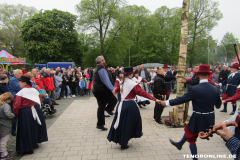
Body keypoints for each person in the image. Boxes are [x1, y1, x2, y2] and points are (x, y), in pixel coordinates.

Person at [160, 65, 222, 160]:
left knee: (192, 139)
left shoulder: (195, 89)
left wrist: (166, 103)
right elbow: (218, 105)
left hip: (198, 117)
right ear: (208, 75)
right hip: (210, 117)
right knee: (188, 129)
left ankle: (195, 158)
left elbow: (181, 99)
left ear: (199, 74)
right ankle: (180, 144)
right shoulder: (214, 88)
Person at [107, 67, 161, 149]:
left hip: (120, 105)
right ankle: (127, 140)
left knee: (122, 123)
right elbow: (143, 93)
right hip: (130, 105)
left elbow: (117, 90)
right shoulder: (133, 83)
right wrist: (155, 99)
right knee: (130, 122)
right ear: (131, 74)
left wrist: (114, 91)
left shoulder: (122, 81)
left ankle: (122, 140)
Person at [13, 76, 48, 154]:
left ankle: (27, 147)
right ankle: (34, 142)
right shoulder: (35, 90)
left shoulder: (21, 92)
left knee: (26, 129)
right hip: (36, 110)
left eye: (20, 82)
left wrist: (16, 113)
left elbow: (17, 105)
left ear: (24, 83)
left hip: (26, 112)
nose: (19, 83)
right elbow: (40, 100)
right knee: (34, 127)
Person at [92, 56, 117, 131]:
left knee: (101, 106)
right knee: (114, 100)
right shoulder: (101, 69)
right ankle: (109, 110)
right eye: (103, 59)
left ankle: (100, 124)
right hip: (102, 90)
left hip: (97, 90)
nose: (105, 60)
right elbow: (106, 80)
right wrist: (112, 89)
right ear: (101, 61)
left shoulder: (97, 68)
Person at [0, 92, 15, 159]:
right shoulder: (5, 106)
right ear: (7, 99)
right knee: (4, 139)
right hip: (4, 124)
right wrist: (13, 115)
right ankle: (4, 154)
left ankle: (3, 150)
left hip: (1, 124)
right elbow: (8, 114)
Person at [7, 69, 22, 136]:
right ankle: (13, 130)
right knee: (14, 115)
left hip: (16, 98)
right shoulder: (13, 80)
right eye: (20, 73)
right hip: (13, 99)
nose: (21, 74)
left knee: (16, 114)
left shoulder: (17, 80)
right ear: (15, 74)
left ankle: (15, 129)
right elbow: (19, 88)